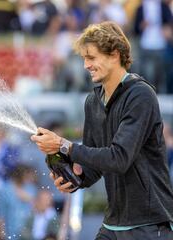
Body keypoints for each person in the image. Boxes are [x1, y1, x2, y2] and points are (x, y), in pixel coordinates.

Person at [31, 21, 173, 239]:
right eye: (84, 58)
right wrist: (72, 177)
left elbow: (118, 159)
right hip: (113, 225)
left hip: (149, 225)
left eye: (92, 57)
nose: (86, 65)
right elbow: (94, 167)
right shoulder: (92, 102)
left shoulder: (141, 96)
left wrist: (64, 144)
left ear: (115, 54)